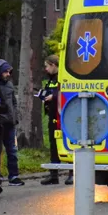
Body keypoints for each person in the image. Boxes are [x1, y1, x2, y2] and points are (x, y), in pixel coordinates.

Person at [39, 55, 72, 186]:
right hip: (53, 115)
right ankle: (54, 175)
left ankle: (72, 174)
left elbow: (66, 92)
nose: (46, 69)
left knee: (67, 143)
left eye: (47, 66)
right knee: (53, 145)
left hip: (63, 115)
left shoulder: (63, 76)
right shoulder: (51, 78)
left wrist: (53, 96)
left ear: (53, 65)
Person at [0, 59, 23, 186]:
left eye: (9, 72)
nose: (8, 74)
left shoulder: (9, 85)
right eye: (5, 72)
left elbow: (14, 103)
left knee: (12, 150)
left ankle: (14, 175)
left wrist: (15, 116)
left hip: (10, 123)